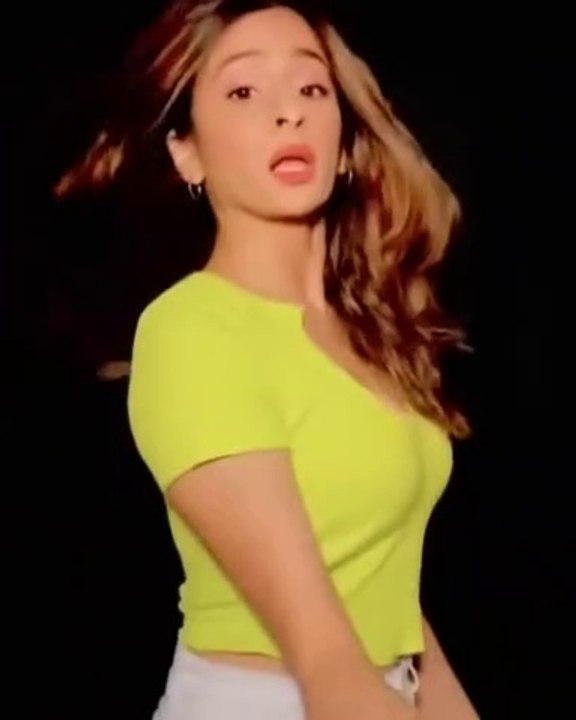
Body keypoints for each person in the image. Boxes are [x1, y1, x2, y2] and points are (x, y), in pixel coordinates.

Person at [56, 1, 479, 717]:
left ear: (343, 141)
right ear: (186, 152)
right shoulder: (192, 332)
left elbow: (388, 602)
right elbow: (326, 661)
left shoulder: (370, 331)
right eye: (244, 91)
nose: (290, 113)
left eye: (311, 87)